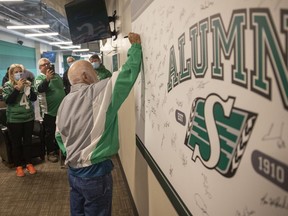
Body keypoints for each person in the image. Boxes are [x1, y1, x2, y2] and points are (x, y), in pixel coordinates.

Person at [55, 32, 142, 216]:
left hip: (73, 172)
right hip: (94, 173)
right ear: (86, 76)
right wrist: (135, 48)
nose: (97, 76)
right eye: (94, 73)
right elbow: (127, 74)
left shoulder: (64, 102)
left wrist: (74, 153)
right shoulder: (98, 92)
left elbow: (58, 136)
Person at [2, 64, 37, 177]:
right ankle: (18, 166)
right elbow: (8, 100)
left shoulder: (27, 83)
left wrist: (29, 89)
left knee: (28, 142)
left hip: (28, 117)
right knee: (16, 144)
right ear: (11, 74)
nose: (18, 74)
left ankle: (29, 163)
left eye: (20, 71)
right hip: (15, 119)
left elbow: (33, 98)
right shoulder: (7, 85)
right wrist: (17, 88)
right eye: (16, 72)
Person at [35, 58, 65, 163]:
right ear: (40, 68)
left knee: (62, 131)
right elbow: (40, 89)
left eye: (48, 64)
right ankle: (51, 152)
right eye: (44, 64)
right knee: (50, 132)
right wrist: (47, 79)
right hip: (48, 111)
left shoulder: (57, 76)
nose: (47, 65)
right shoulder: (39, 77)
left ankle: (60, 149)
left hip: (61, 110)